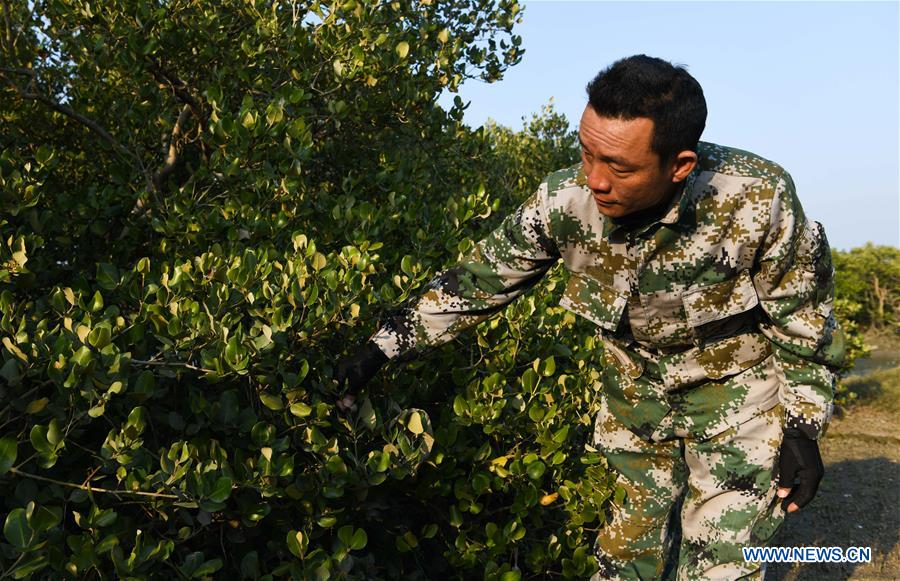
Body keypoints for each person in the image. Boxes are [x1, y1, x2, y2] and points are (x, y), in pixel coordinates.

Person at [334, 55, 844, 580]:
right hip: (636, 403)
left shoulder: (757, 198)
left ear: (680, 165)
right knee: (624, 562)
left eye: (619, 167)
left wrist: (803, 428)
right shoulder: (563, 202)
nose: (595, 180)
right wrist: (379, 350)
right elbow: (480, 280)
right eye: (586, 154)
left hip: (739, 402)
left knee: (721, 567)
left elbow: (804, 317)